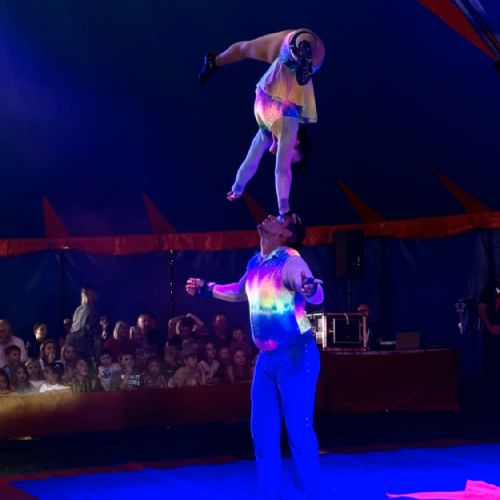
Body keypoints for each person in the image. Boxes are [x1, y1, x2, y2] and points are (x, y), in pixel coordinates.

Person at [186, 213, 323, 498]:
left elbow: (311, 288)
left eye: (281, 218)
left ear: (285, 234)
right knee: (262, 430)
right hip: (267, 359)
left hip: (296, 355)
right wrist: (206, 289)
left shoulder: (291, 261)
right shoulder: (255, 263)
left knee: (299, 431)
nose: (272, 215)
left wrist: (311, 289)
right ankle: (268, 493)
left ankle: (309, 493)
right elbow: (239, 291)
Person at [199, 29, 325, 215]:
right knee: (315, 54)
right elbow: (282, 171)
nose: (282, 154)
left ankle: (214, 62)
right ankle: (303, 50)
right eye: (289, 154)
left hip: (285, 55)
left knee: (246, 49)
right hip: (295, 63)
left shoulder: (266, 133)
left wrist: (238, 187)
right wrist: (284, 209)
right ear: (296, 142)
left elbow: (251, 161)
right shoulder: (289, 126)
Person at [65, 285, 99, 359]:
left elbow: (91, 327)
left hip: (84, 339)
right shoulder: (79, 309)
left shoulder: (94, 310)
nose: (87, 297)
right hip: (73, 336)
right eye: (85, 294)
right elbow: (75, 323)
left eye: (89, 294)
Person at [478, 278, 500, 390]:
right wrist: (489, 326)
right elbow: (482, 307)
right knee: (492, 362)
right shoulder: (491, 287)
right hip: (492, 332)